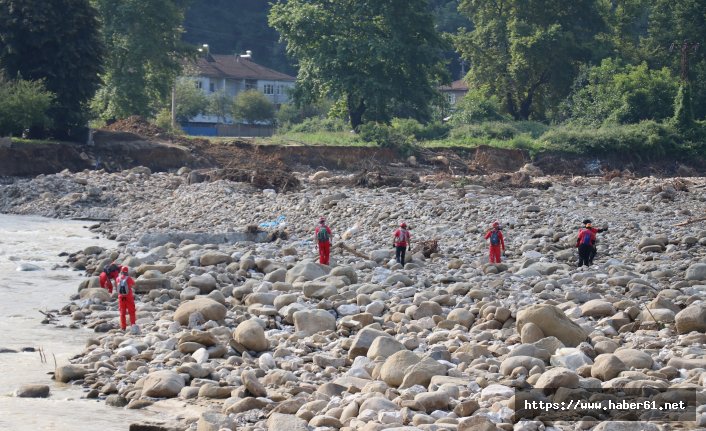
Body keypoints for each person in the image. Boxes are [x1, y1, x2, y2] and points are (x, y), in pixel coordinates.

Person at [116, 266, 137, 331]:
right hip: (129, 297)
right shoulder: (129, 278)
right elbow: (133, 284)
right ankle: (133, 325)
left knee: (122, 312)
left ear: (121, 271)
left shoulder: (118, 278)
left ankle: (123, 327)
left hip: (121, 297)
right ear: (127, 271)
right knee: (132, 312)